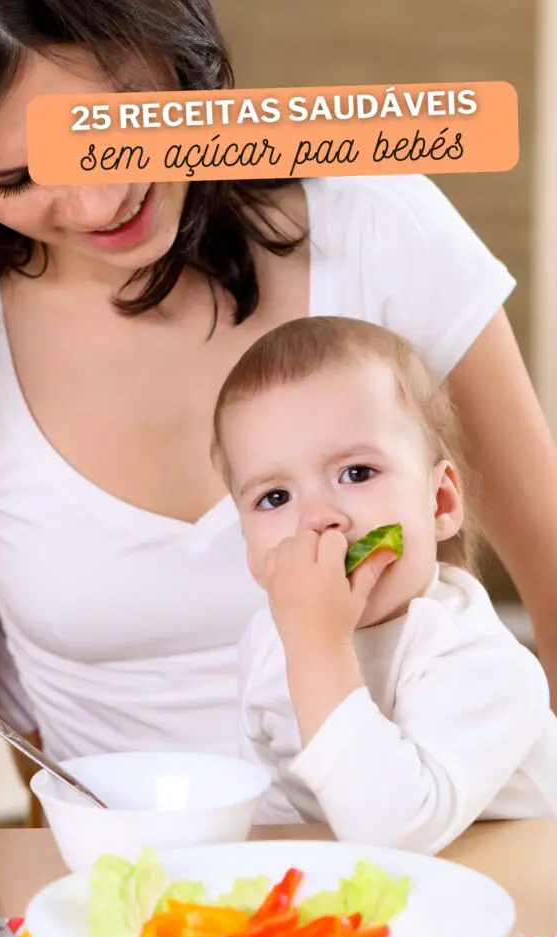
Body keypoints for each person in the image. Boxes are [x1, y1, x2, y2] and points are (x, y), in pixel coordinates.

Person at [0, 0, 557, 769]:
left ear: (175, 53)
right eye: (17, 178)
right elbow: (14, 722)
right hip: (126, 871)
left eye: (114, 131)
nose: (98, 200)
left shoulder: (377, 227)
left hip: (429, 858)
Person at [212, 316, 557, 853]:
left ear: (440, 503)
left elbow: (394, 832)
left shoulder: (482, 662)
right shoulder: (267, 645)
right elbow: (277, 815)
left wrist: (318, 649)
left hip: (522, 917)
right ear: (253, 554)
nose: (319, 519)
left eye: (357, 473)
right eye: (275, 498)